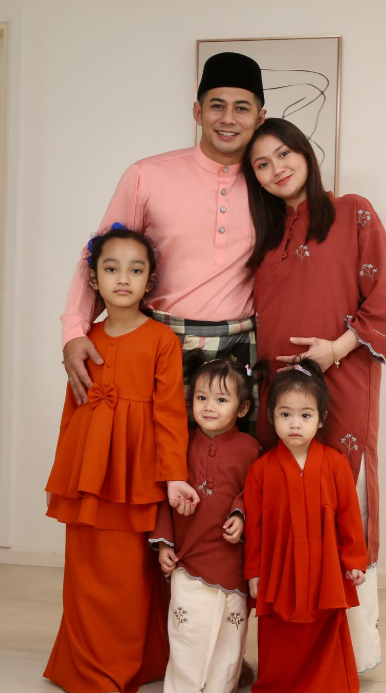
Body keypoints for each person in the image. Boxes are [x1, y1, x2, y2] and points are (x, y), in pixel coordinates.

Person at [243, 118, 386, 672]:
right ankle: (289, 651)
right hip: (277, 395)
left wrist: (333, 350)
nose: (276, 169)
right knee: (286, 506)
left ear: (306, 154)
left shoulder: (353, 212)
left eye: (283, 154)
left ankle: (353, 654)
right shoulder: (266, 238)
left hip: (342, 380)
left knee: (341, 501)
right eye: (261, 164)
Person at [62, 52, 266, 434]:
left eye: (242, 108)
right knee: (148, 459)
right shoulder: (147, 175)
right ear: (197, 112)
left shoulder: (269, 184)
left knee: (229, 462)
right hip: (156, 340)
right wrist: (74, 331)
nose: (228, 118)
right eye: (216, 105)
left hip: (238, 346)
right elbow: (99, 255)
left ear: (260, 118)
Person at [44, 227, 198, 693]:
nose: (123, 279)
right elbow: (72, 412)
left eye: (136, 269)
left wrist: (173, 476)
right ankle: (81, 665)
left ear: (150, 280)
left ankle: (128, 663)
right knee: (84, 571)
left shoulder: (162, 340)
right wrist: (62, 477)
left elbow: (170, 416)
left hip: (135, 475)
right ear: (94, 279)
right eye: (111, 269)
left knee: (129, 576)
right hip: (85, 474)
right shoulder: (83, 341)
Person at [244, 359, 368, 692]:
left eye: (305, 415)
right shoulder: (260, 470)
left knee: (324, 626)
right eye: (285, 414)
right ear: (271, 416)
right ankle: (279, 683)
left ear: (321, 418)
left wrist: (354, 561)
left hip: (324, 568)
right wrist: (253, 571)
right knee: (279, 629)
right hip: (279, 570)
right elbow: (254, 528)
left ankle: (324, 683)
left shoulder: (335, 463)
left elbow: (348, 518)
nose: (295, 424)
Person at [150, 352, 260, 693]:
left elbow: (256, 492)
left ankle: (220, 687)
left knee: (229, 635)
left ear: (242, 408)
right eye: (201, 398)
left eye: (221, 400)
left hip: (231, 561)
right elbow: (163, 496)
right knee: (186, 632)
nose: (209, 407)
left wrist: (240, 514)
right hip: (188, 558)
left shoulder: (250, 449)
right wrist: (164, 543)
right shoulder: (180, 444)